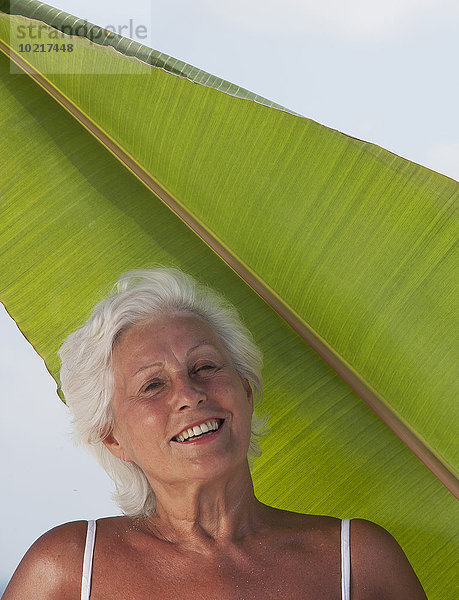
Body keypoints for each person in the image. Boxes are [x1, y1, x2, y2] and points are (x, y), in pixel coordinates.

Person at [3, 268, 427, 599]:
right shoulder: (70, 569)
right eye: (153, 385)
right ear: (112, 437)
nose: (189, 394)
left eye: (205, 367)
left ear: (245, 390)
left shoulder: (358, 563)